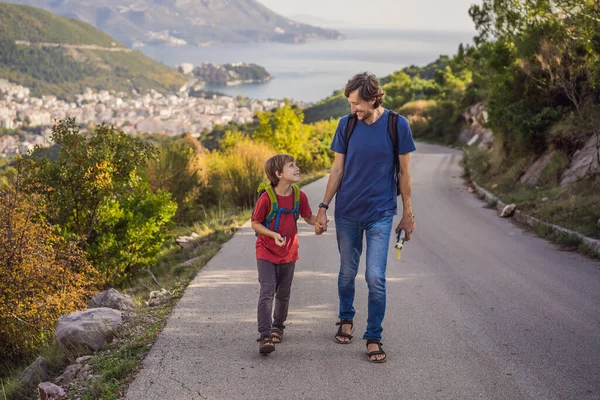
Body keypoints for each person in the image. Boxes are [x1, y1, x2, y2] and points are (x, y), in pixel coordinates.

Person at [315, 72, 416, 363]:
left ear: (373, 99)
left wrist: (408, 214)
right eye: (350, 103)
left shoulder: (398, 125)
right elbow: (337, 170)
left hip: (381, 214)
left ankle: (373, 335)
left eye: (357, 103)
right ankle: (345, 317)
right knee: (347, 272)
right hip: (347, 212)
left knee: (375, 277)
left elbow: (404, 174)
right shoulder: (346, 125)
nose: (353, 109)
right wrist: (323, 207)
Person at [251, 154, 322, 354]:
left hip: (289, 253)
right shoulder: (266, 198)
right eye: (291, 166)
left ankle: (278, 326)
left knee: (283, 293)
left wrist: (319, 222)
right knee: (267, 291)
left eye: (295, 164)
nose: (297, 168)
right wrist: (273, 235)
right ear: (278, 174)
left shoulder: (299, 196)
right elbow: (255, 223)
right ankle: (265, 336)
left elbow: (308, 217)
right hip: (265, 251)